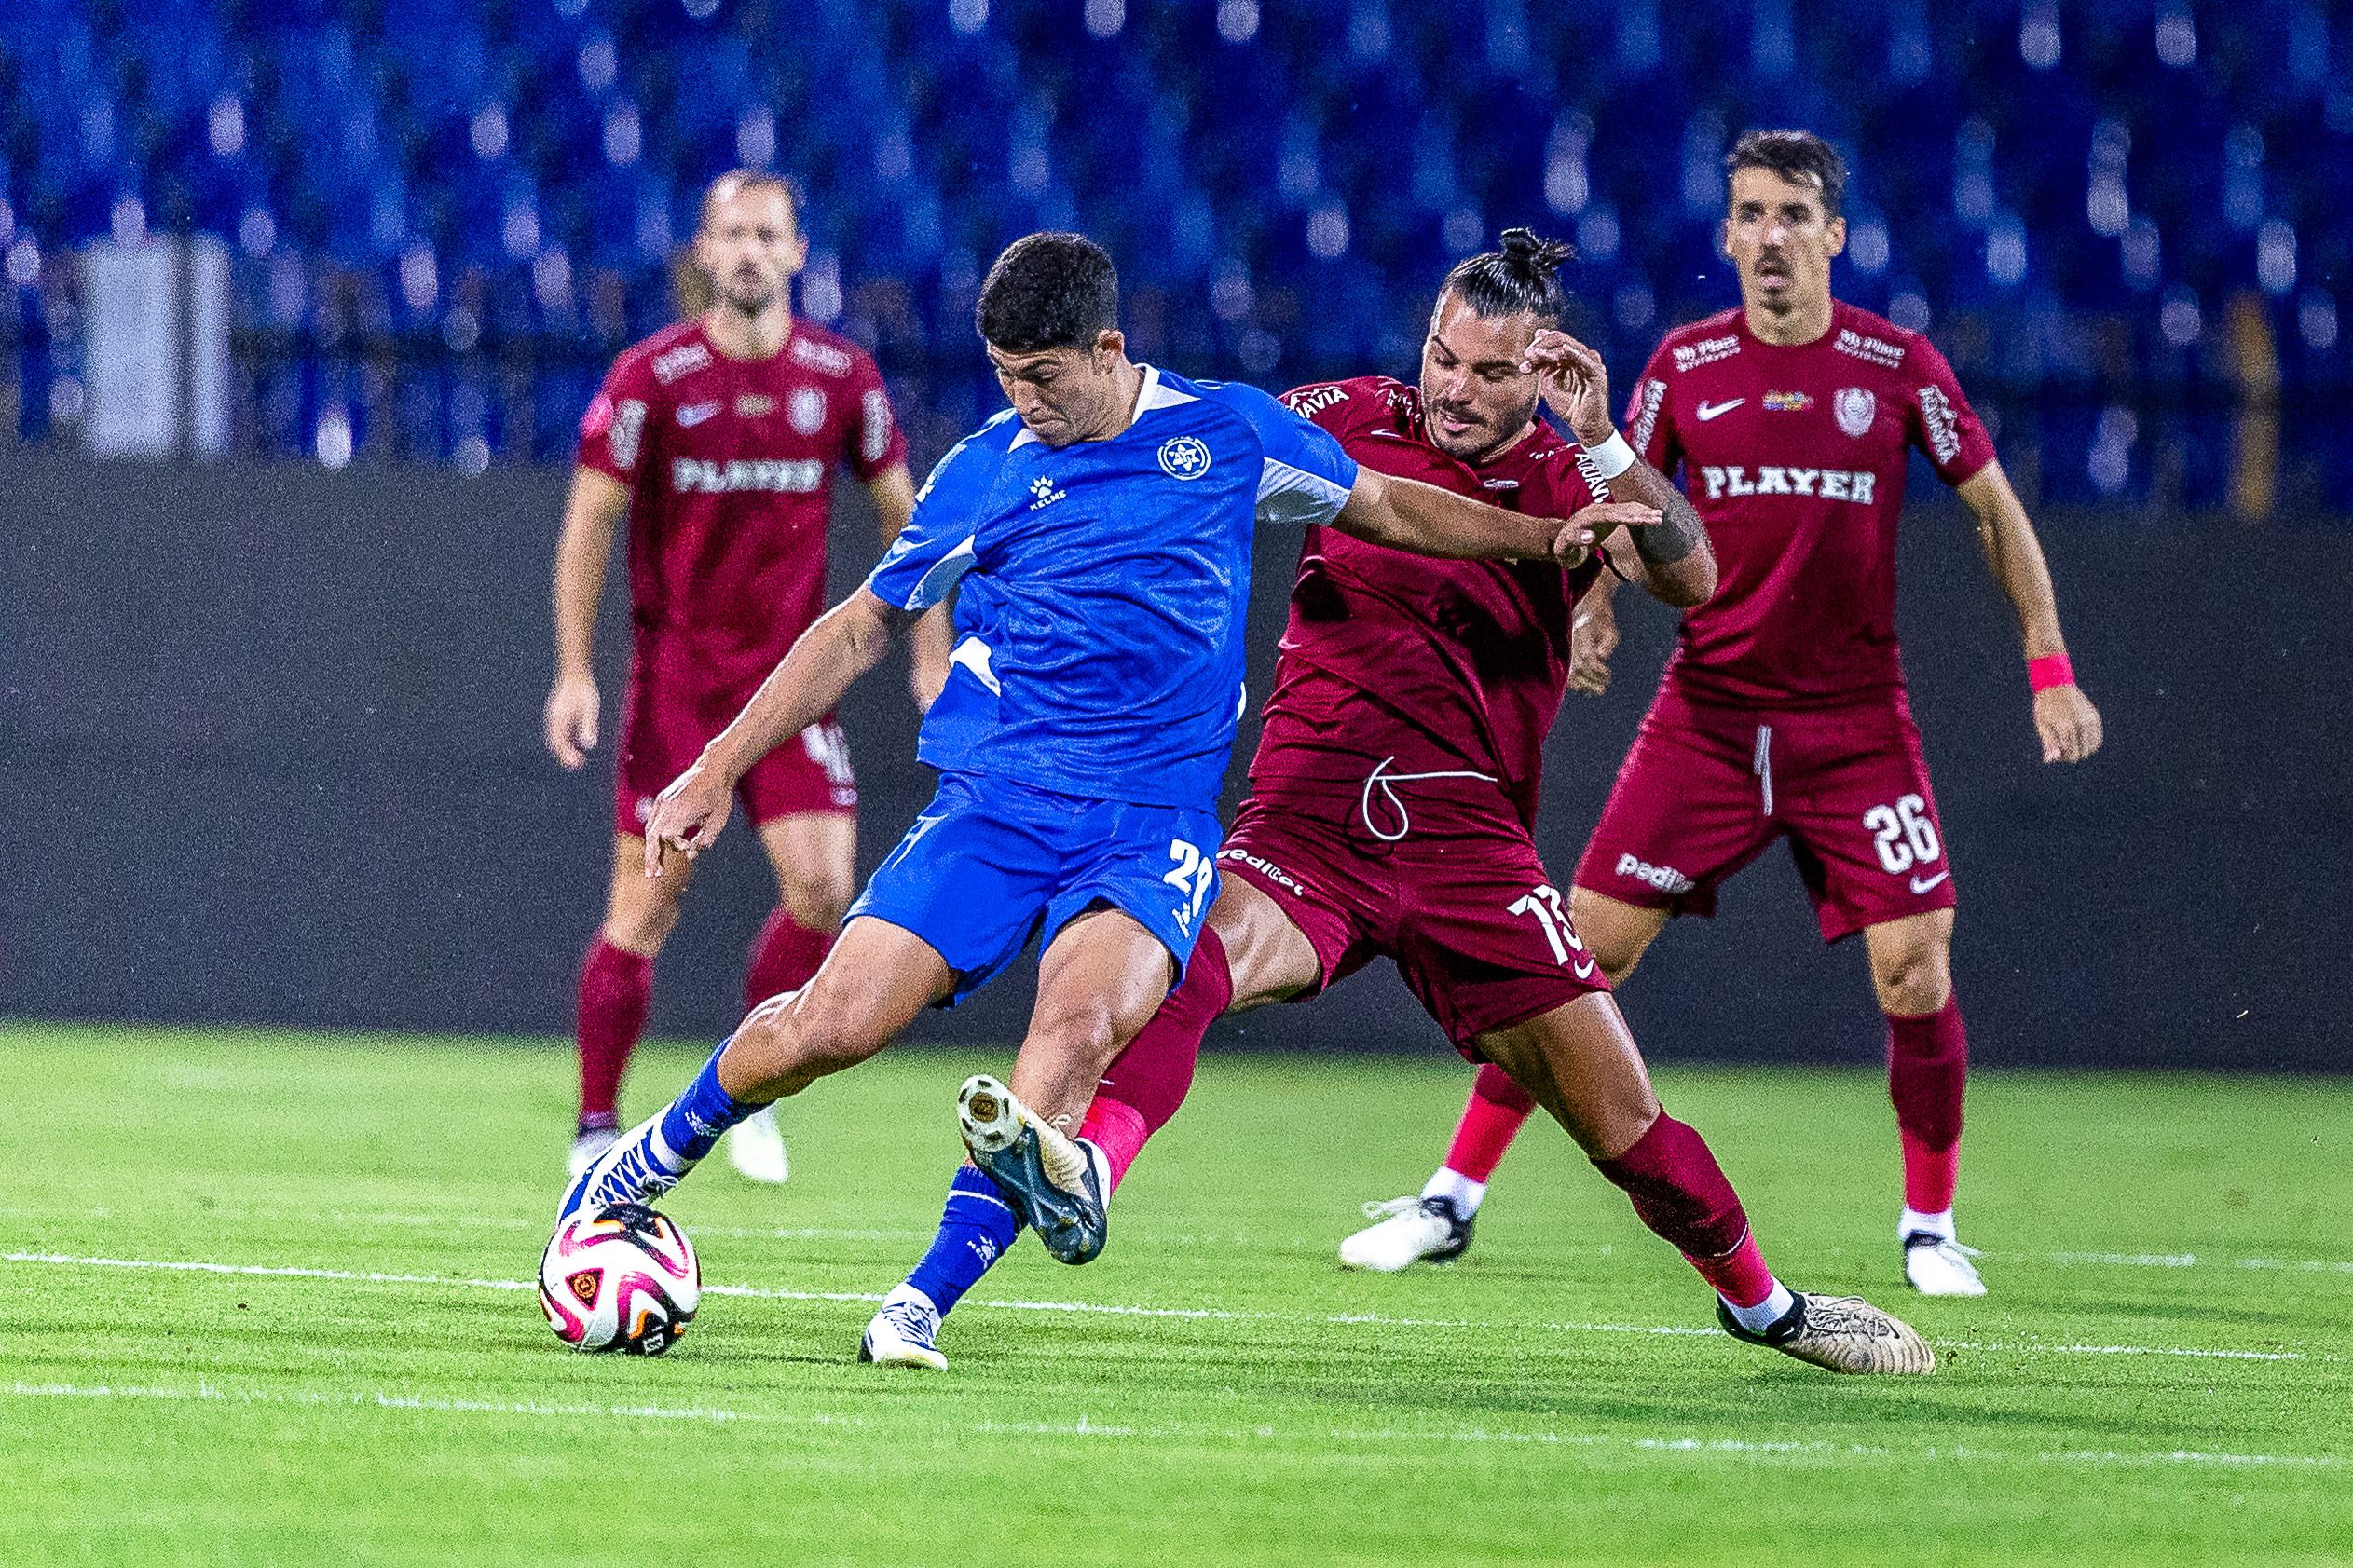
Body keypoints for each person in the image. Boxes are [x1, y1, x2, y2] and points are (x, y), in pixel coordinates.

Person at [857, 231, 1935, 1380]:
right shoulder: (1341, 414)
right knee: (1182, 966)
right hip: (1306, 817)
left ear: (1542, 371)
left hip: (1471, 846)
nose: (1452, 388)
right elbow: (1174, 444)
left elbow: (1692, 576)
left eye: (1485, 371)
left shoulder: (1578, 475)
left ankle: (1766, 1309)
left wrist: (1604, 438)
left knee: (1623, 1125)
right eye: (1440, 356)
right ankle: (1083, 1176)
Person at [556, 232, 1626, 1282]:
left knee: (1072, 1046)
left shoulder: (1224, 432)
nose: (1023, 399)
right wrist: (719, 764)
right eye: (1004, 377)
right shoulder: (986, 467)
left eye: (1042, 377)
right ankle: (644, 1158)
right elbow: (855, 627)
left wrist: (1541, 542)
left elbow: (1389, 504)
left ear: (1108, 350)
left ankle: (922, 1301)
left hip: (1149, 823)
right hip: (999, 806)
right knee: (831, 1027)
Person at [1344, 130, 2105, 1298]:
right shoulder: (1685, 366)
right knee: (1575, 954)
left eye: (1791, 214)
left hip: (1853, 727)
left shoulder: (1895, 367)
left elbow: (1995, 512)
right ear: (1725, 235)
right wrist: (1589, 609)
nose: (1767, 236)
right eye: (1747, 214)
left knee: (1914, 966)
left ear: (1833, 234)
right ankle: (1450, 1199)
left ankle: (1929, 1225)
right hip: (1704, 715)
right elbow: (1612, 494)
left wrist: (2047, 664)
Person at [547, 170, 947, 1182]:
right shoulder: (652, 378)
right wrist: (571, 671)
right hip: (678, 688)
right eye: (732, 233)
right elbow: (589, 520)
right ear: (704, 250)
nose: (749, 252)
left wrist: (929, 649)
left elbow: (908, 519)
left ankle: (745, 1082)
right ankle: (597, 1126)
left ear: (798, 252)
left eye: (768, 234)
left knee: (823, 891)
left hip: (788, 690)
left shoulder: (841, 379)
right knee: (645, 908)